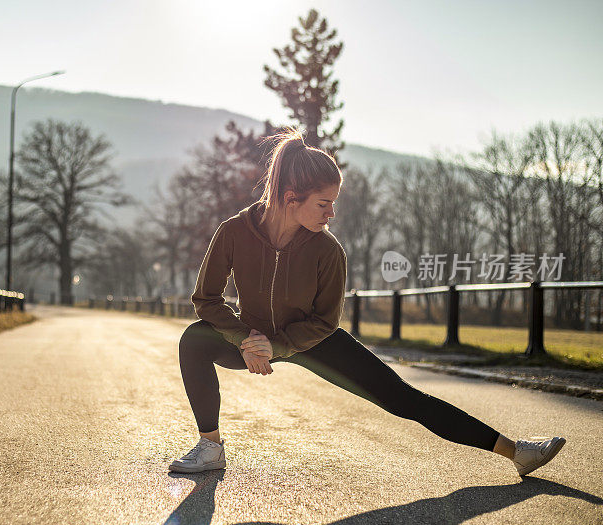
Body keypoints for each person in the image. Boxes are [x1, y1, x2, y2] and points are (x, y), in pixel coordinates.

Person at [169, 128, 565, 477]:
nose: (332, 213)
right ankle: (211, 447)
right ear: (292, 198)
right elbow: (206, 298)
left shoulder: (328, 251)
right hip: (252, 337)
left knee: (404, 399)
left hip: (312, 341)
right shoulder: (235, 232)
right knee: (195, 340)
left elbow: (325, 322)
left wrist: (277, 345)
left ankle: (517, 452)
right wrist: (245, 338)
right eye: (323, 204)